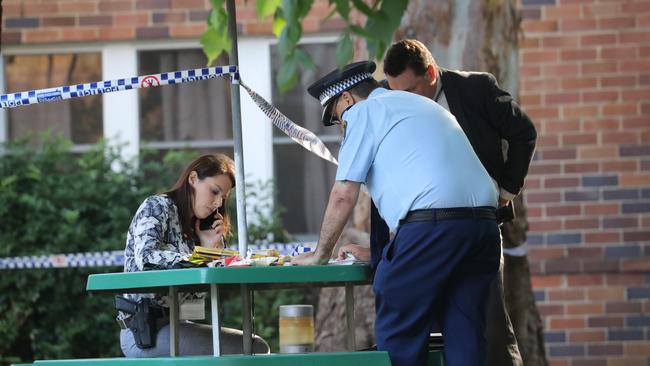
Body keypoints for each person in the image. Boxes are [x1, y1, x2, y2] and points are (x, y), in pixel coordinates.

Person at [339, 39, 537, 366]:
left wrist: (505, 192)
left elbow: (524, 133)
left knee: (487, 326)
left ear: (431, 72)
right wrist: (388, 246)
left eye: (412, 90)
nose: (403, 99)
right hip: (427, 231)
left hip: (479, 218)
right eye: (395, 91)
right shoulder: (392, 109)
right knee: (449, 324)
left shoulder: (476, 89)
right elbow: (407, 187)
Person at [292, 61, 501, 366]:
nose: (342, 127)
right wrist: (390, 251)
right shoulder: (417, 105)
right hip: (482, 228)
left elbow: (342, 196)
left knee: (398, 333)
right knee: (465, 335)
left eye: (338, 117)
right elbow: (425, 187)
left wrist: (320, 254)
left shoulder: (363, 113)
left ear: (348, 99)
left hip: (433, 232)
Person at [119, 153, 269, 357]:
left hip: (179, 325)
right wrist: (199, 258)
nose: (217, 203)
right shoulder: (156, 206)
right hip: (145, 332)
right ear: (192, 179)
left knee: (253, 345)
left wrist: (208, 249)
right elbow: (147, 258)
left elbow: (196, 295)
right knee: (254, 348)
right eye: (214, 191)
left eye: (222, 198)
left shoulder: (201, 228)